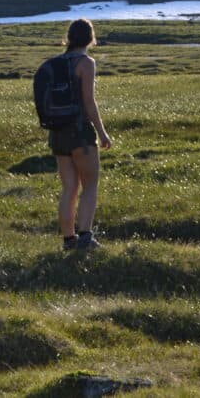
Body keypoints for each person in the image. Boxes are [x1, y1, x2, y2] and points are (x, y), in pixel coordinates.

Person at [50, 18, 112, 251]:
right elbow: (89, 102)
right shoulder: (85, 62)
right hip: (79, 132)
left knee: (69, 188)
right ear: (89, 38)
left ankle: (69, 240)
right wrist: (102, 132)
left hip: (58, 133)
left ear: (69, 37)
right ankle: (85, 237)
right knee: (90, 184)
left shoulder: (56, 63)